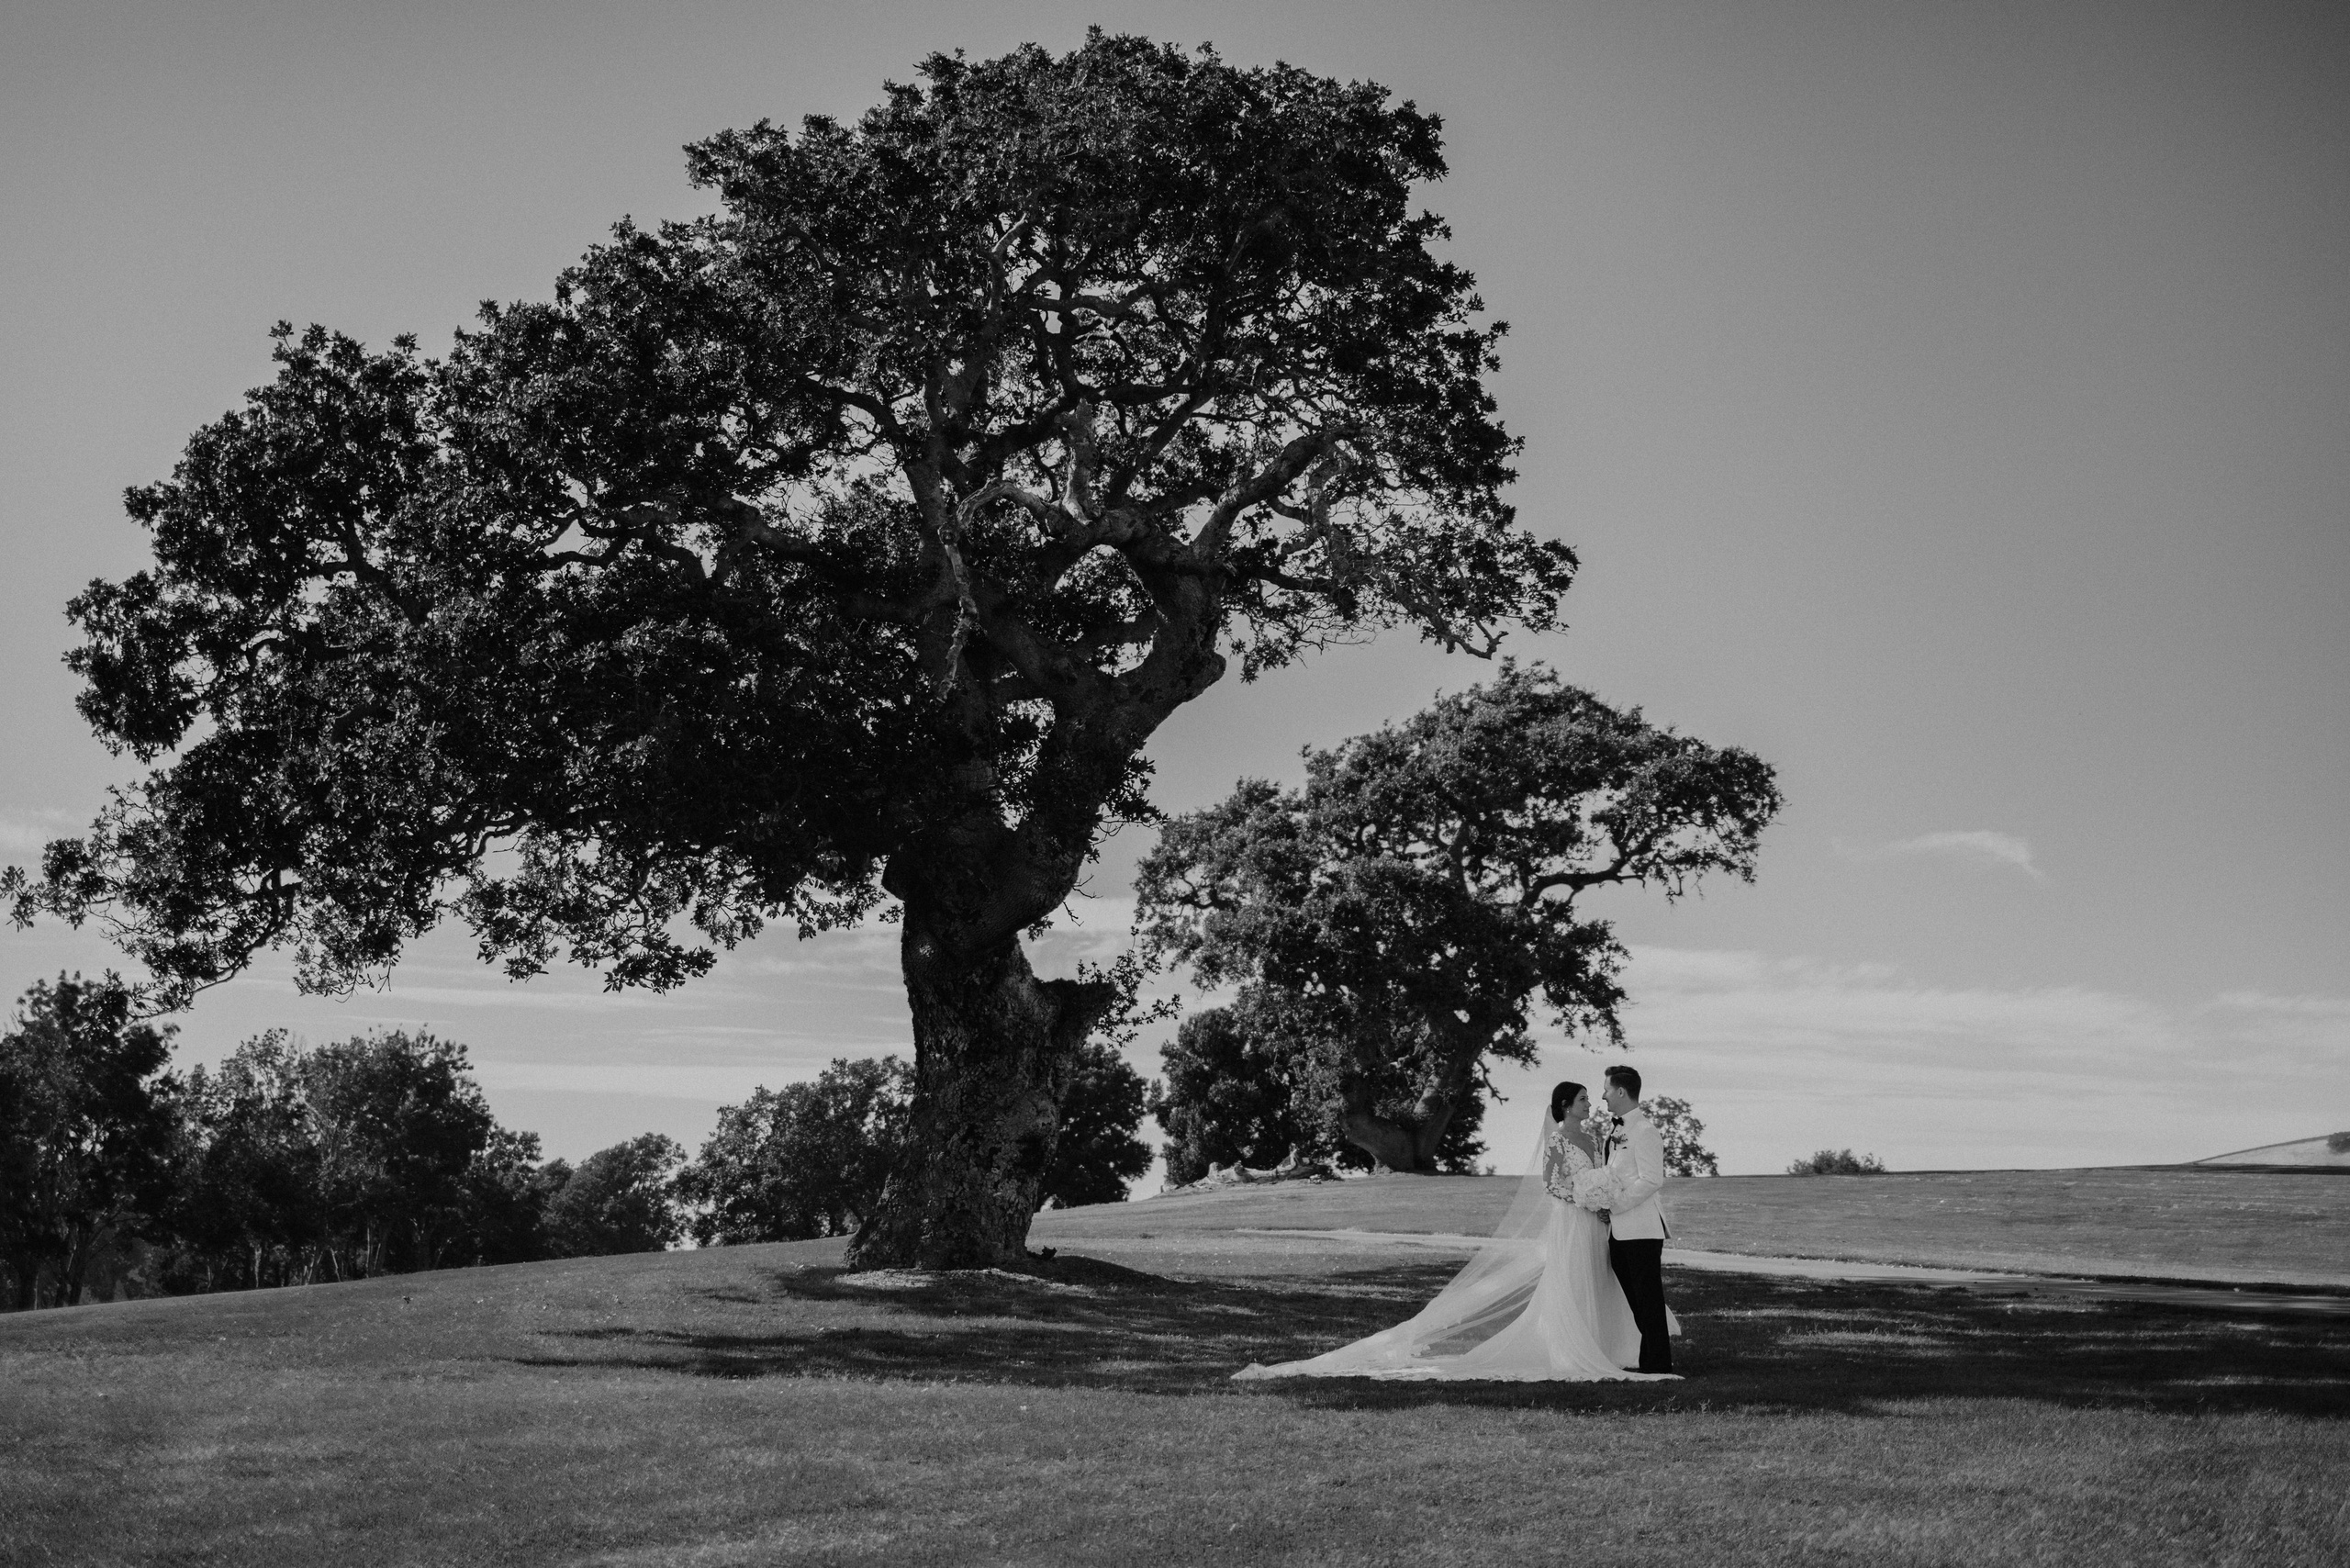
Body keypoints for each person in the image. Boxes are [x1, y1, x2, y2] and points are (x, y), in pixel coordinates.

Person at [1232, 1080, 1677, 1382]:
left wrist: (1599, 1199)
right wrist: (1581, 1196)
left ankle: (1608, 1347)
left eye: (1590, 1097)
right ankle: (1567, 1349)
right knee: (1570, 1282)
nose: (1588, 1103)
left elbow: (1603, 1175)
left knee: (1597, 1283)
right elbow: (1551, 1184)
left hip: (1596, 1222)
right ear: (1565, 1106)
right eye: (1582, 1098)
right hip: (1570, 1219)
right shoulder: (1559, 1139)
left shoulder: (1596, 1138)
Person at [1600, 1064, 1674, 1374]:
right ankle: (1652, 1359)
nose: (1603, 1096)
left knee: (1648, 1299)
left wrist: (1615, 1205)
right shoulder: (1616, 1131)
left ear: (1621, 1091)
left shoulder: (1644, 1131)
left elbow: (1652, 1179)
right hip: (1618, 1232)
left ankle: (1657, 1363)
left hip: (1641, 1229)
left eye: (1606, 1089)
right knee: (1637, 1301)